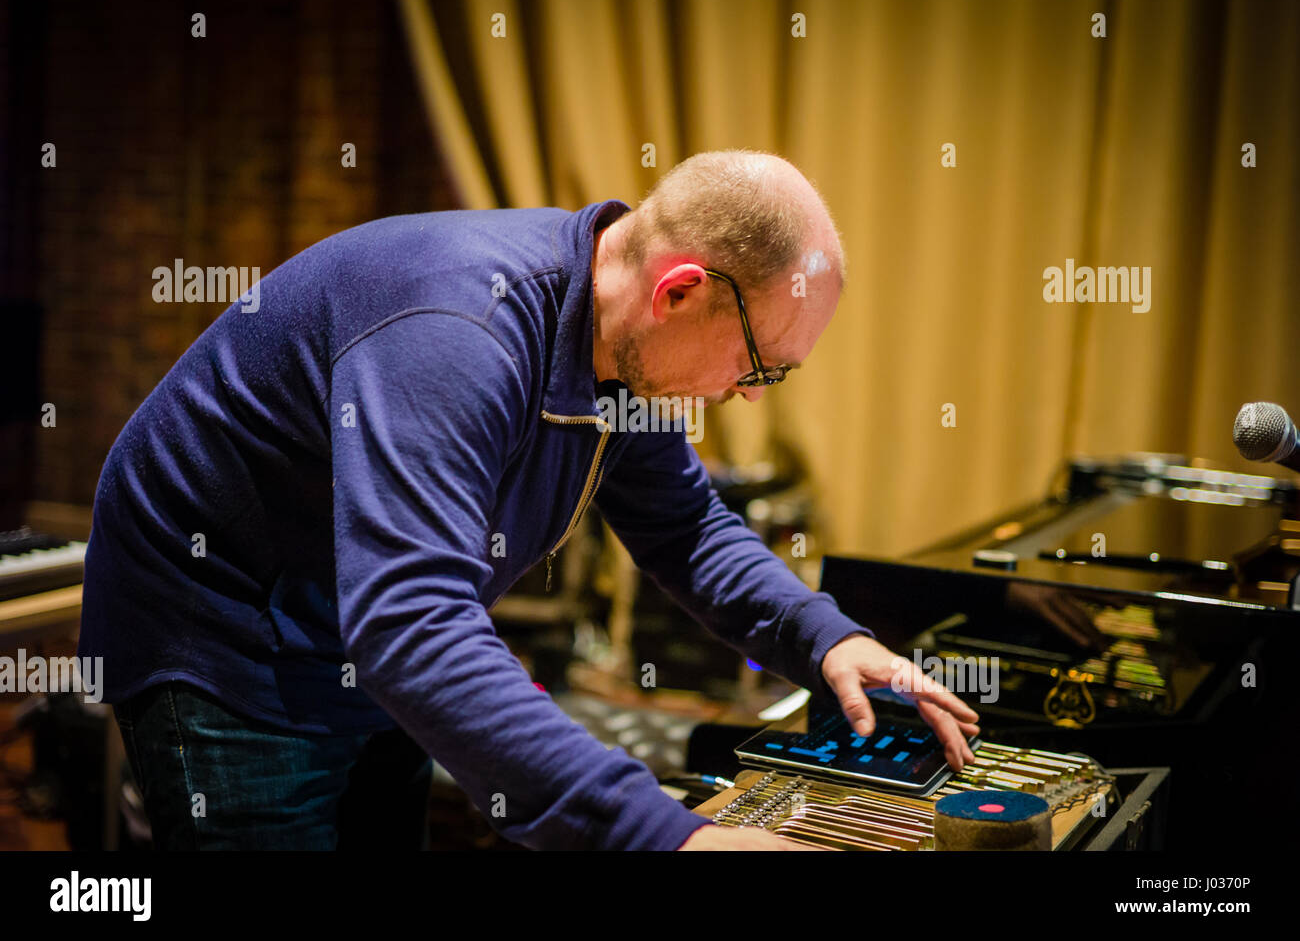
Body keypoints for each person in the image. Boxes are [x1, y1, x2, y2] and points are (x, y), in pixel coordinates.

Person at [79, 149, 978, 851]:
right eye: (759, 362)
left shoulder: (626, 348)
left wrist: (830, 638)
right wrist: (673, 833)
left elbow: (688, 527)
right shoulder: (455, 331)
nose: (750, 393)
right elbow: (411, 625)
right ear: (680, 291)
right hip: (220, 625)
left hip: (353, 627)